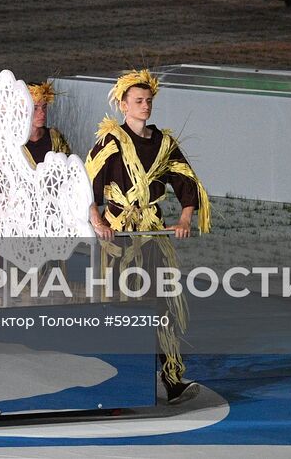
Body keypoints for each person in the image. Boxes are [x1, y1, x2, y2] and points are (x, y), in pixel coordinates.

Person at [85, 69, 209, 406]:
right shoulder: (111, 142)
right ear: (123, 105)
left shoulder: (163, 143)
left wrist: (185, 218)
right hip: (119, 239)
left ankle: (172, 379)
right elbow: (86, 185)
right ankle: (120, 380)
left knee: (163, 304)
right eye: (138, 100)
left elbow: (187, 181)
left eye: (148, 100)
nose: (145, 106)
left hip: (153, 235)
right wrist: (97, 220)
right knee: (121, 307)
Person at [23, 82, 71, 167]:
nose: (42, 113)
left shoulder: (54, 137)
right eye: (35, 108)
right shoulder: (14, 142)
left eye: (44, 107)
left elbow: (67, 166)